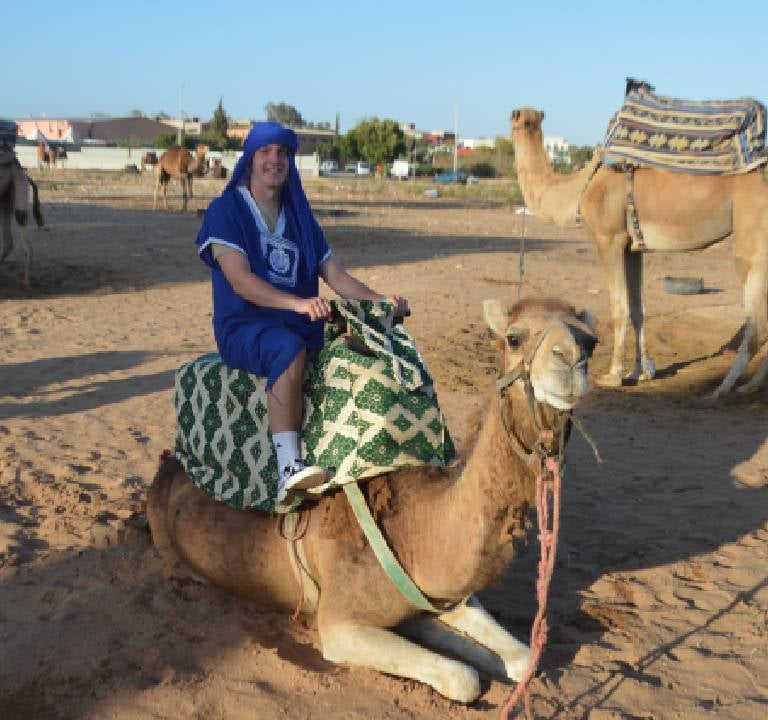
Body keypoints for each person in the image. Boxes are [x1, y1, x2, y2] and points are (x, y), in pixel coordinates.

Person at [196, 122, 408, 512]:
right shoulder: (226, 211)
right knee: (288, 347)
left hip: (297, 323)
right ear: (250, 159)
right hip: (245, 326)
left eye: (282, 153)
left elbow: (336, 277)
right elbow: (240, 281)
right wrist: (298, 304)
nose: (274, 160)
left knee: (359, 346)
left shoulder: (301, 220)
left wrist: (381, 302)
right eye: (265, 152)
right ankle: (288, 467)